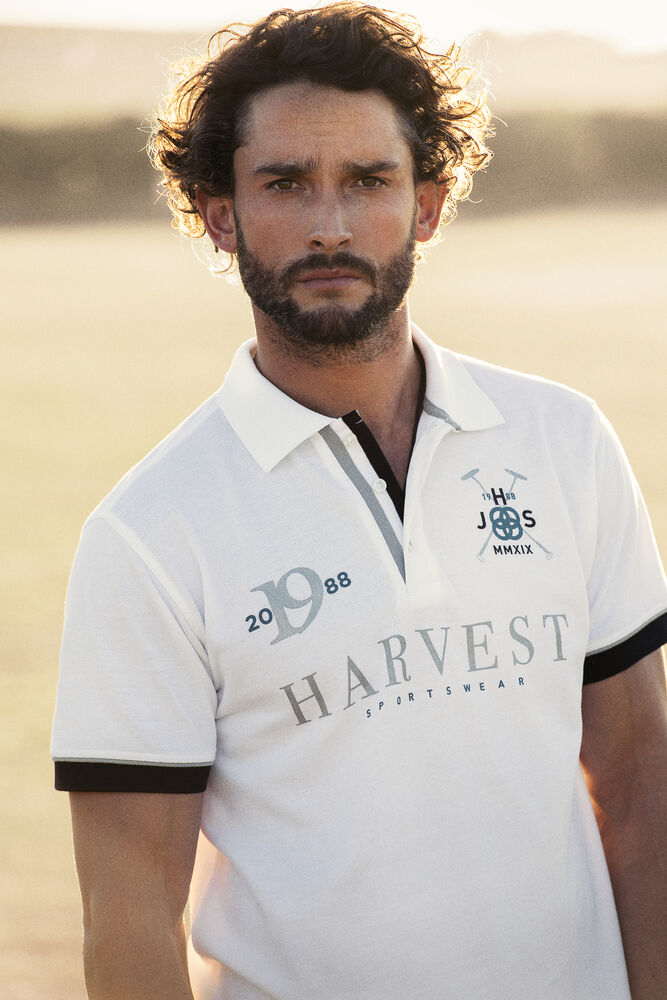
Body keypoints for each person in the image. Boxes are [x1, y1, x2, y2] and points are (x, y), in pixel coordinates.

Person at [51, 4, 667, 999]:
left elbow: (641, 791)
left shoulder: (565, 442)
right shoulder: (149, 533)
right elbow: (128, 910)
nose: (329, 225)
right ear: (219, 214)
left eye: (369, 180)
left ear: (427, 204)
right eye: (285, 183)